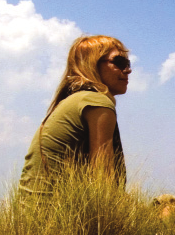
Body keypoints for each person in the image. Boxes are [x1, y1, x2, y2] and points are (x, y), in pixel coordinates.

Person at [19, 35, 129, 196]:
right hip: (56, 216)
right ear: (92, 64)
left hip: (32, 212)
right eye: (119, 62)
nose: (128, 70)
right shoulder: (97, 101)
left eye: (128, 63)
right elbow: (103, 178)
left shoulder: (75, 100)